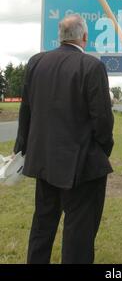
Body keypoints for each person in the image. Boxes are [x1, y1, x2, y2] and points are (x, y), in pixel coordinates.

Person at [14, 14, 114, 264]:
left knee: (43, 223)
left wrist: (23, 146)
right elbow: (102, 119)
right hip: (81, 165)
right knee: (78, 230)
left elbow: (26, 109)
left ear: (60, 37)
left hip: (44, 160)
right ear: (84, 37)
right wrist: (103, 149)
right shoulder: (91, 66)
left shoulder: (37, 62)